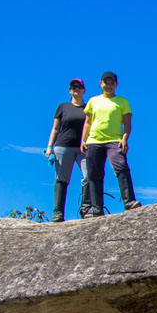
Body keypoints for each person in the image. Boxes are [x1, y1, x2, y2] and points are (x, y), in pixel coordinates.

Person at [80, 71, 141, 217]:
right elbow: (88, 122)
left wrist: (125, 138)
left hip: (114, 140)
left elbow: (127, 124)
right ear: (101, 83)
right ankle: (96, 208)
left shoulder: (122, 102)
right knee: (94, 173)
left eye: (112, 82)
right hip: (94, 141)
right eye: (106, 82)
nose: (109, 85)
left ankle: (129, 202)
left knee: (121, 166)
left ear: (116, 84)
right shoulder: (93, 101)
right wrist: (83, 139)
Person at [45, 78, 92, 222]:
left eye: (79, 87)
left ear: (84, 90)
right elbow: (55, 128)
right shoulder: (63, 107)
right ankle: (58, 213)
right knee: (61, 179)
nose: (76, 89)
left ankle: (86, 209)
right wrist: (49, 147)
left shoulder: (89, 108)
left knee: (89, 175)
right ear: (69, 90)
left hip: (83, 147)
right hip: (63, 146)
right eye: (73, 87)